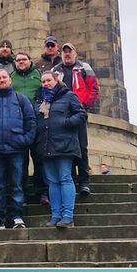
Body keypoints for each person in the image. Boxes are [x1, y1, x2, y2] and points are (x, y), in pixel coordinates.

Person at [0, 68, 36, 229]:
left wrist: (25, 140)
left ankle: (17, 216)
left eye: (4, 77)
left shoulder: (21, 99)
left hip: (17, 150)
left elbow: (31, 122)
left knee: (17, 184)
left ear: (10, 80)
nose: (2, 80)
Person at [35, 70, 87, 229]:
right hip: (47, 145)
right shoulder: (42, 101)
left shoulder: (69, 96)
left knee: (65, 178)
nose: (45, 84)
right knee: (52, 182)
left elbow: (81, 115)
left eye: (48, 80)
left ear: (56, 80)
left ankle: (68, 216)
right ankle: (56, 215)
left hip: (65, 145)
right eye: (43, 82)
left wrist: (66, 123)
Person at [53, 43, 100, 196]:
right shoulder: (56, 70)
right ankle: (72, 179)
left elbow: (94, 88)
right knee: (67, 148)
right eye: (64, 52)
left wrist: (85, 105)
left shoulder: (84, 67)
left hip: (79, 112)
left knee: (82, 146)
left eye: (69, 51)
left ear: (75, 54)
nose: (67, 54)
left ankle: (84, 181)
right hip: (62, 114)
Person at [11, 50, 46, 205]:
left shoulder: (38, 75)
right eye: (18, 60)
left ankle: (42, 192)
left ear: (29, 60)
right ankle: (22, 194)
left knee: (39, 159)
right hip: (19, 124)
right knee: (21, 161)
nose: (21, 62)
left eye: (23, 59)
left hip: (37, 122)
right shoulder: (11, 77)